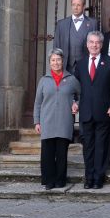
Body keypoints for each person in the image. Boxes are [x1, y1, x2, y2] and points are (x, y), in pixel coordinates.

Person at [73, 31, 110, 189]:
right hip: (86, 112)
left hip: (104, 111)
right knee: (88, 147)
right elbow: (75, 87)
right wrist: (74, 102)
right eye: (91, 42)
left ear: (101, 44)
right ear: (87, 45)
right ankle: (89, 177)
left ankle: (99, 177)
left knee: (101, 146)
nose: (94, 45)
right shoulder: (80, 64)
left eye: (97, 42)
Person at [33, 49, 81, 190]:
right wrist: (37, 121)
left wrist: (77, 104)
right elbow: (37, 103)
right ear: (49, 63)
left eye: (58, 59)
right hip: (46, 121)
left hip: (64, 121)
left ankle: (60, 180)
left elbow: (82, 95)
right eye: (53, 60)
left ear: (63, 61)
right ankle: (49, 180)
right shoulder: (43, 80)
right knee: (47, 153)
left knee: (61, 153)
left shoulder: (71, 79)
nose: (56, 63)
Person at [53, 0, 98, 72]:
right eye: (73, 5)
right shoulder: (61, 24)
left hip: (86, 65)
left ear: (83, 7)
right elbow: (56, 45)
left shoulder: (93, 23)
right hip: (66, 65)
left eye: (78, 5)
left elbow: (97, 44)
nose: (75, 7)